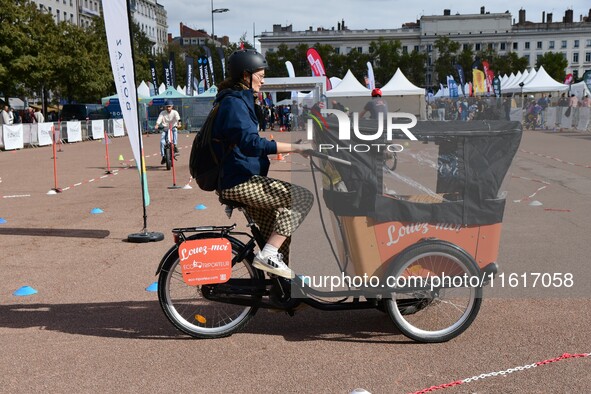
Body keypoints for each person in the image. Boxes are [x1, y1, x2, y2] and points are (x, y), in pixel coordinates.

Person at [212, 48, 314, 279]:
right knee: (302, 197)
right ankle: (268, 254)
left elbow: (246, 141)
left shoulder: (238, 100)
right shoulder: (235, 103)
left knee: (278, 238)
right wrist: (297, 148)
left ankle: (283, 289)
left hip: (241, 177)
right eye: (260, 75)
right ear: (246, 76)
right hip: (239, 181)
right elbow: (250, 143)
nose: (263, 79)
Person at [154, 100, 181, 164]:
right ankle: (163, 156)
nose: (168, 108)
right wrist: (157, 125)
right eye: (167, 107)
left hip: (173, 128)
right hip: (166, 129)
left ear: (172, 107)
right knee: (162, 142)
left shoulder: (175, 112)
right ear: (165, 107)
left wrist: (179, 124)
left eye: (169, 106)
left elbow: (178, 119)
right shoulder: (162, 113)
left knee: (175, 132)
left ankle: (175, 145)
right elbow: (159, 119)